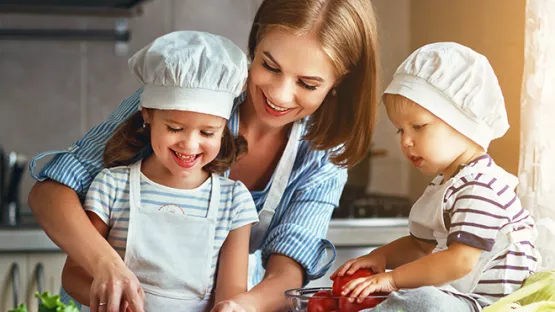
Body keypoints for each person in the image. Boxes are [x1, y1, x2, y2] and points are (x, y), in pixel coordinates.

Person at [27, 0, 380, 311]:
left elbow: (288, 267)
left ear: (338, 83)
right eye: (269, 66)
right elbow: (50, 193)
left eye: (307, 84)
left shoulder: (323, 152)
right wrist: (107, 265)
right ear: (254, 43)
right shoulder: (186, 91)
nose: (280, 94)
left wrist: (241, 306)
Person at [331, 42, 540, 312]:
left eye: (418, 126)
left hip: (491, 306)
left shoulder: (481, 186)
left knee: (422, 300)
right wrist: (379, 256)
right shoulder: (448, 184)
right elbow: (420, 247)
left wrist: (393, 280)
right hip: (462, 300)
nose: (406, 141)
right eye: (400, 131)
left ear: (462, 122)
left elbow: (460, 261)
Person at [61, 31, 259, 312]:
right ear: (147, 115)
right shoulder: (112, 186)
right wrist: (114, 304)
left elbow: (230, 297)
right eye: (175, 128)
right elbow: (73, 275)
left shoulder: (234, 201)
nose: (190, 144)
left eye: (207, 132)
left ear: (223, 129)